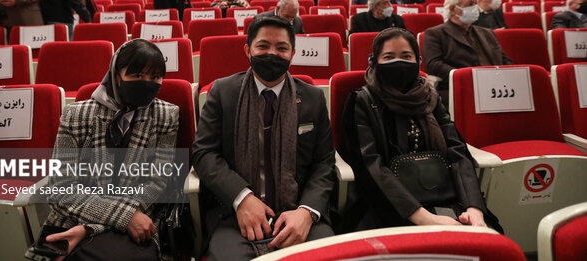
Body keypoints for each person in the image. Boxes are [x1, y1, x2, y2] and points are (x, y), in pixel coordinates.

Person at [192, 16, 335, 260]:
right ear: (248, 50)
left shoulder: (312, 98)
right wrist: (242, 198)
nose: (272, 54)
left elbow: (323, 163)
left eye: (281, 48)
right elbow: (204, 153)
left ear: (293, 53)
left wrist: (307, 212)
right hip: (233, 213)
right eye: (263, 46)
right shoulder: (223, 92)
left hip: (298, 210)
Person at [342, 28, 500, 232]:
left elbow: (457, 151)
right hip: (387, 202)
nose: (398, 63)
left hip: (443, 194)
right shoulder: (362, 101)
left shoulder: (430, 97)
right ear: (374, 62)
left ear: (418, 60)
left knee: (486, 235)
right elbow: (370, 165)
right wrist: (423, 217)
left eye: (406, 56)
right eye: (389, 57)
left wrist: (474, 207)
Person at [43, 39, 179, 261]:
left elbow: (158, 183)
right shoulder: (76, 115)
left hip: (140, 218)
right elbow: (61, 188)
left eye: (155, 77)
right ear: (117, 76)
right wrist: (121, 217)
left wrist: (97, 227)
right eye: (137, 76)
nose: (147, 83)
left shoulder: (166, 115)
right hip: (75, 218)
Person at [422, 0, 513, 108]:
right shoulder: (435, 34)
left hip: (497, 88)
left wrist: (513, 75)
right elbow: (434, 65)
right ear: (453, 9)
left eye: (475, 3)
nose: (475, 7)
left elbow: (504, 60)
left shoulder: (487, 33)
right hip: (463, 88)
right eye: (470, 4)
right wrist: (468, 77)